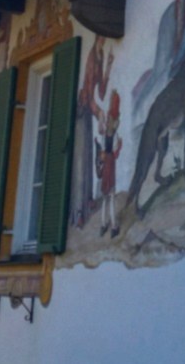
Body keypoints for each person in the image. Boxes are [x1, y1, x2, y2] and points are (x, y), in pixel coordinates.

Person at [77, 37, 113, 225]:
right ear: (98, 39)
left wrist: (107, 66)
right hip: (84, 108)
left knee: (94, 154)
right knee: (84, 157)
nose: (103, 43)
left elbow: (101, 92)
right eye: (101, 40)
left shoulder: (98, 59)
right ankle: (82, 206)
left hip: (91, 105)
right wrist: (98, 114)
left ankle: (93, 197)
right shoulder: (91, 58)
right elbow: (90, 94)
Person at [96, 90, 123, 237]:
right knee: (110, 196)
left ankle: (104, 225)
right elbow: (114, 152)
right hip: (110, 165)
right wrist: (118, 147)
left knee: (106, 197)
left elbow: (103, 153)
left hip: (107, 164)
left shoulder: (105, 136)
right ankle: (112, 226)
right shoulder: (113, 135)